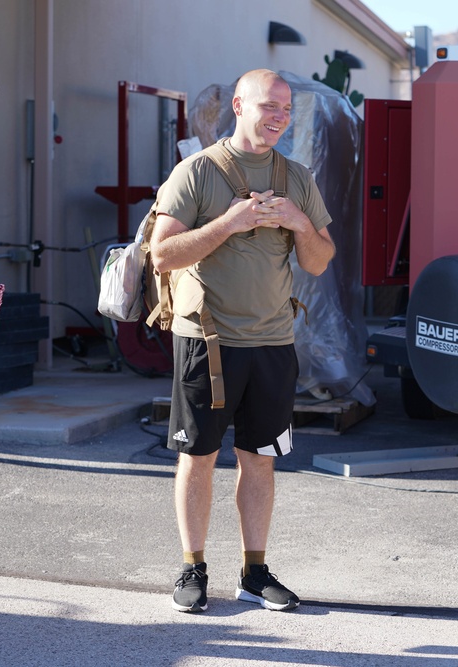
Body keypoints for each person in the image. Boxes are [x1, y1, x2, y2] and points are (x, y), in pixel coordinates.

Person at [150, 69, 336, 613]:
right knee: (199, 457)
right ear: (238, 105)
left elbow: (319, 263)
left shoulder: (296, 177)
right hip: (206, 343)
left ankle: (255, 574)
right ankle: (192, 567)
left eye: (286, 108)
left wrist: (302, 222)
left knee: (260, 459)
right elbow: (162, 255)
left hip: (274, 343)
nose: (279, 116)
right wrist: (228, 224)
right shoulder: (198, 172)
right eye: (268, 106)